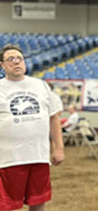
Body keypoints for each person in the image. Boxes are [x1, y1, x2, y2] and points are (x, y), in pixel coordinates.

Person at [0, 44, 64, 211]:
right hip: (8, 159)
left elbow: (54, 117)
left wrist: (59, 148)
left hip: (38, 156)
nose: (16, 62)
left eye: (19, 59)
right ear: (2, 65)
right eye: (10, 59)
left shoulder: (40, 85)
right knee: (8, 204)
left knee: (38, 201)